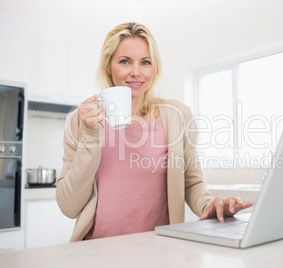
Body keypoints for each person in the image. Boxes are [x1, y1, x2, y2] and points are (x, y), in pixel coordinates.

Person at [56, 22, 252, 242]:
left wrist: (210, 206)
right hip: (96, 252)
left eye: (145, 62)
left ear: (154, 69)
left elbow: (192, 183)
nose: (136, 72)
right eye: (124, 61)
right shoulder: (79, 121)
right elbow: (68, 206)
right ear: (108, 67)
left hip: (160, 251)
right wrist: (91, 136)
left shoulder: (176, 115)